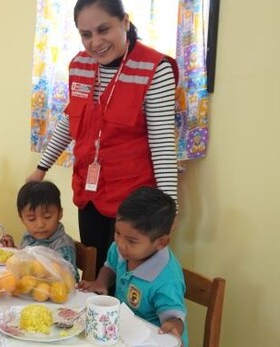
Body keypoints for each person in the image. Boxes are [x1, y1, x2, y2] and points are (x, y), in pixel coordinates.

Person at [27, 0, 179, 272]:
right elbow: (70, 119)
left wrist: (171, 211)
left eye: (103, 29)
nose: (95, 42)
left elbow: (163, 145)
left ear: (125, 22)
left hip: (134, 204)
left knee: (128, 284)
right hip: (90, 194)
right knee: (96, 273)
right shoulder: (81, 65)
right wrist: (41, 168)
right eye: (86, 34)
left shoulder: (155, 69)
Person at [78, 187, 187, 347]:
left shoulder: (167, 280)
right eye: (117, 233)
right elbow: (111, 266)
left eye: (131, 240)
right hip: (126, 335)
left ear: (161, 242)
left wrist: (173, 328)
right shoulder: (123, 250)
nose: (120, 243)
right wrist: (101, 282)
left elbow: (175, 318)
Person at [0, 181, 79, 281]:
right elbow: (27, 259)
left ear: (60, 214)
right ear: (22, 219)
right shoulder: (30, 236)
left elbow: (67, 278)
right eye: (32, 219)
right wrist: (14, 250)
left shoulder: (62, 246)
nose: (40, 224)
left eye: (47, 217)